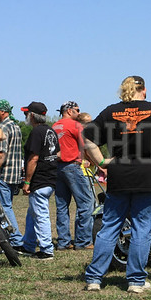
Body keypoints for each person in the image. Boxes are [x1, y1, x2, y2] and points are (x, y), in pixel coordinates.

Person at [83, 76, 151, 293]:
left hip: (119, 174)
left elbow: (88, 137)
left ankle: (94, 278)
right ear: (144, 90)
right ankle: (136, 281)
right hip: (148, 173)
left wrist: (100, 161)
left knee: (109, 227)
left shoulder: (110, 111)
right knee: (142, 228)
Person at [52, 101, 95, 251]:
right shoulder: (75, 125)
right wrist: (97, 163)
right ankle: (83, 241)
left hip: (58, 167)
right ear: (69, 111)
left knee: (62, 206)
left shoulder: (54, 126)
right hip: (73, 166)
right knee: (86, 203)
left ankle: (63, 242)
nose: (78, 113)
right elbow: (86, 146)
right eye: (77, 110)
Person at [20, 102, 60, 259]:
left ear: (32, 115)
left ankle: (46, 249)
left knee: (41, 213)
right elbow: (58, 154)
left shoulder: (36, 132)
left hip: (40, 179)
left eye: (26, 114)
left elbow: (33, 158)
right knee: (33, 213)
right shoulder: (50, 131)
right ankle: (29, 244)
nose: (25, 117)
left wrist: (27, 181)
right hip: (50, 177)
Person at [0, 99, 25, 250]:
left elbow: (1, 153)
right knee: (5, 206)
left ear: (2, 112)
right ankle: (4, 239)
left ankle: (16, 240)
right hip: (14, 173)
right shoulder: (15, 126)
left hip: (4, 172)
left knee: (4, 208)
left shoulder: (3, 127)